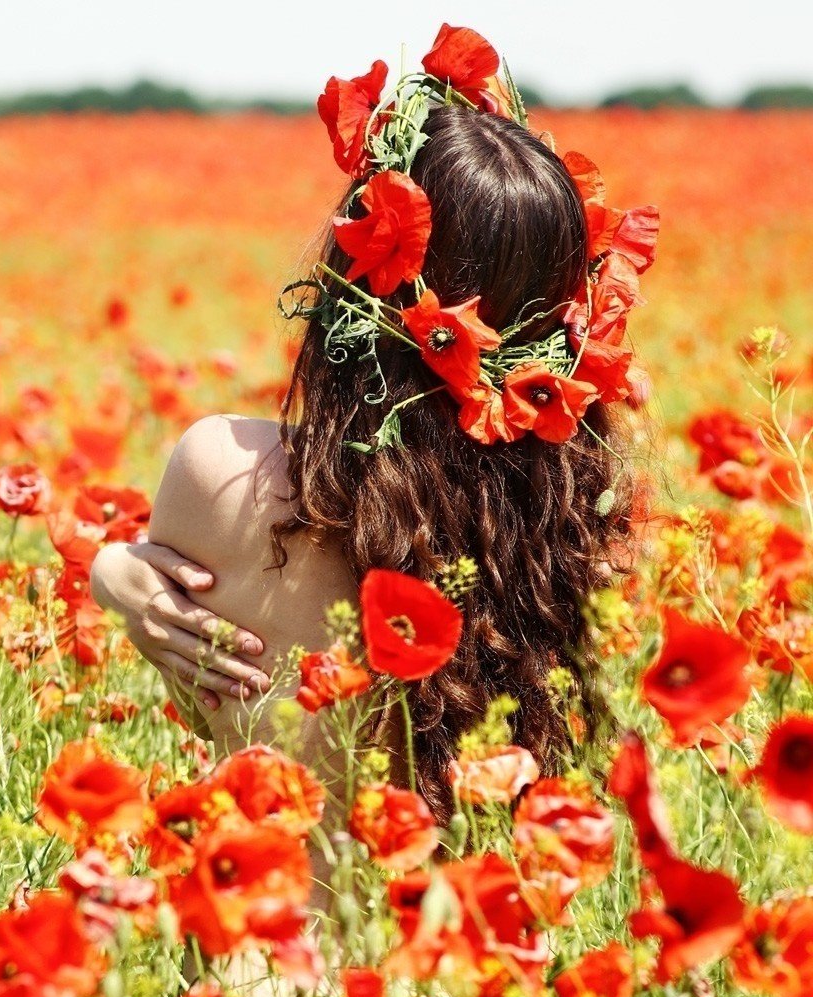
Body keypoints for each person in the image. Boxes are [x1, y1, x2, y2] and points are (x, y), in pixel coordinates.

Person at [90, 26, 651, 818]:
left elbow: (203, 705)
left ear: (360, 269)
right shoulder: (574, 533)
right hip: (476, 904)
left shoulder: (220, 473)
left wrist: (111, 572)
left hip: (266, 899)